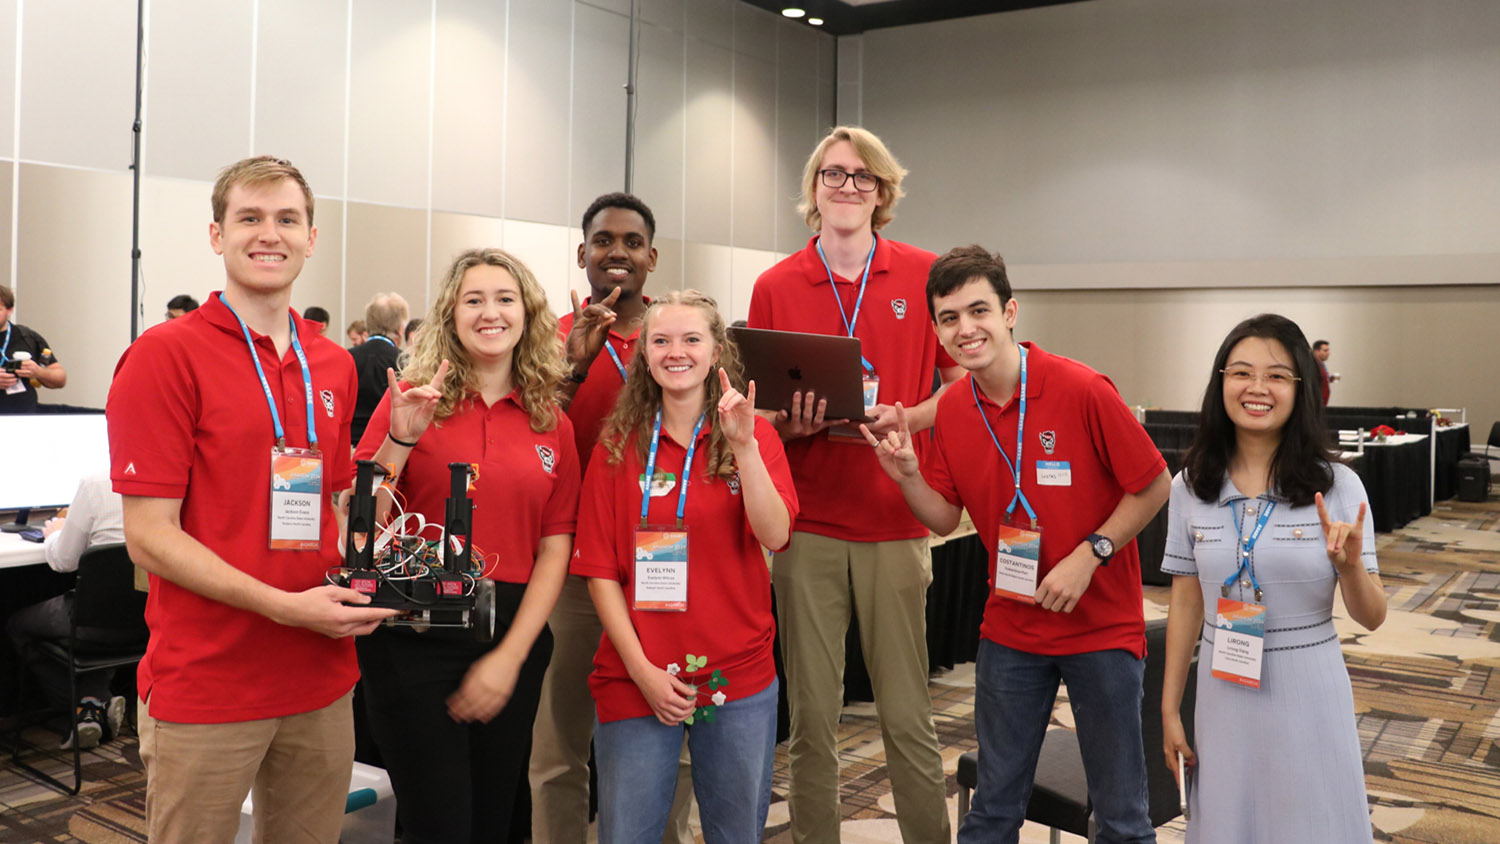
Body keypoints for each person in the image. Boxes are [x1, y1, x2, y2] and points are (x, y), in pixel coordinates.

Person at [107, 156, 397, 843]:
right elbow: (149, 535)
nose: (270, 234)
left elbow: (329, 507)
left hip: (321, 680)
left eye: (287, 219)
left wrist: (398, 450)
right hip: (210, 684)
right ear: (217, 235)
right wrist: (286, 608)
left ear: (311, 237)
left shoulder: (333, 364)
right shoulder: (164, 356)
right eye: (250, 218)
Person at [863, 245, 1170, 844]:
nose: (965, 328)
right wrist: (906, 476)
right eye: (949, 318)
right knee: (992, 812)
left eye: (978, 310)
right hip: (1010, 631)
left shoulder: (1081, 388)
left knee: (1121, 819)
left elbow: (1154, 482)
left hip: (1101, 631)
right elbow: (944, 516)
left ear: (1010, 312)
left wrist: (1091, 554)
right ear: (936, 331)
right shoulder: (952, 409)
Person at [746, 125, 959, 844]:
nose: (847, 187)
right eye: (833, 175)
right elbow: (759, 413)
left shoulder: (925, 276)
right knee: (812, 717)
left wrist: (912, 414)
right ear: (813, 190)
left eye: (863, 176)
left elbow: (962, 388)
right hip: (805, 525)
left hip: (894, 519)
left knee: (907, 716)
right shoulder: (775, 284)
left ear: (884, 192)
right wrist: (789, 424)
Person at [353, 247, 580, 844]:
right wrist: (400, 440)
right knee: (440, 822)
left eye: (505, 299)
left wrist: (512, 656)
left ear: (527, 314)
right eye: (473, 300)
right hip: (413, 635)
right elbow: (361, 530)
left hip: (514, 631)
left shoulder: (551, 422)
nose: (490, 313)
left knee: (497, 818)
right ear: (450, 314)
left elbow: (555, 546)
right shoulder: (410, 399)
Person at [573, 290, 798, 844]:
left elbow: (776, 534)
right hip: (637, 676)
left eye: (692, 339)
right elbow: (600, 571)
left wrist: (744, 447)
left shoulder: (756, 436)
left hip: (736, 674)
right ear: (645, 354)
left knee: (735, 834)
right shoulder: (617, 445)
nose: (677, 351)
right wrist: (645, 673)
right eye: (662, 340)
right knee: (627, 834)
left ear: (716, 350)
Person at [1161, 314, 1385, 844]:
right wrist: (1170, 707)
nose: (1257, 388)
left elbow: (1372, 617)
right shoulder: (1190, 485)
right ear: (1221, 384)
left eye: (1278, 375)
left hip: (1308, 685)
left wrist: (1350, 567)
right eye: (1241, 372)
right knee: (1227, 821)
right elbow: (1187, 602)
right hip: (1222, 687)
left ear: (1301, 388)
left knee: (1310, 821)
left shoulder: (1338, 487)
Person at [532, 192, 694, 844]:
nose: (617, 253)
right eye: (604, 241)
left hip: (661, 565)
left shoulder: (679, 336)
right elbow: (531, 440)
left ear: (652, 257)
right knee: (558, 744)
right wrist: (573, 364)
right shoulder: (546, 338)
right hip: (571, 568)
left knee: (667, 734)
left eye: (632, 242)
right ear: (582, 254)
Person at [5, 470, 128, 750]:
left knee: (17, 624)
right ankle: (94, 703)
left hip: (90, 621)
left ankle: (86, 707)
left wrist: (54, 535)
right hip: (142, 623)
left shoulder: (95, 484)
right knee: (105, 627)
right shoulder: (172, 485)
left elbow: (63, 561)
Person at [349, 292, 409, 443]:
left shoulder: (346, 358)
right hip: (387, 445)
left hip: (350, 443)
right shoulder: (404, 362)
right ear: (399, 329)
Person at [0, 285, 67, 413]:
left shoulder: (27, 337)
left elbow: (60, 378)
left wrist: (38, 372)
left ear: (10, 310)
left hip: (25, 418)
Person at [1312, 339, 1339, 406]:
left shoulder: (1321, 365)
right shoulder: (1312, 365)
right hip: (1316, 404)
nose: (1328, 353)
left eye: (1328, 350)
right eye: (1325, 350)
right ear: (1316, 351)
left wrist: (1329, 379)